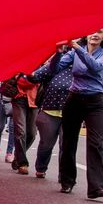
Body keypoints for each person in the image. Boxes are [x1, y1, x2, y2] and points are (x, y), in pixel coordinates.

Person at [57, 29, 103, 198]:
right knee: (68, 141)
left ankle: (96, 187)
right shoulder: (75, 51)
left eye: (99, 32)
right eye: (92, 32)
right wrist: (57, 54)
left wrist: (76, 47)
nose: (95, 35)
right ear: (86, 35)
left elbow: (95, 66)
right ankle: (67, 181)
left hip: (96, 101)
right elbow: (57, 67)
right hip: (74, 99)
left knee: (96, 143)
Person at [28, 42, 74, 180]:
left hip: (70, 114)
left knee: (65, 146)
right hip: (49, 112)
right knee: (46, 144)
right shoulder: (53, 67)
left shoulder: (80, 70)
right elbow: (34, 77)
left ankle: (64, 177)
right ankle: (41, 168)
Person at [7, 75, 38, 174]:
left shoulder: (43, 64)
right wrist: (36, 79)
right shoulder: (21, 64)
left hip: (34, 101)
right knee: (20, 131)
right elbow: (21, 81)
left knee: (32, 134)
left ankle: (18, 155)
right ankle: (23, 163)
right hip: (19, 99)